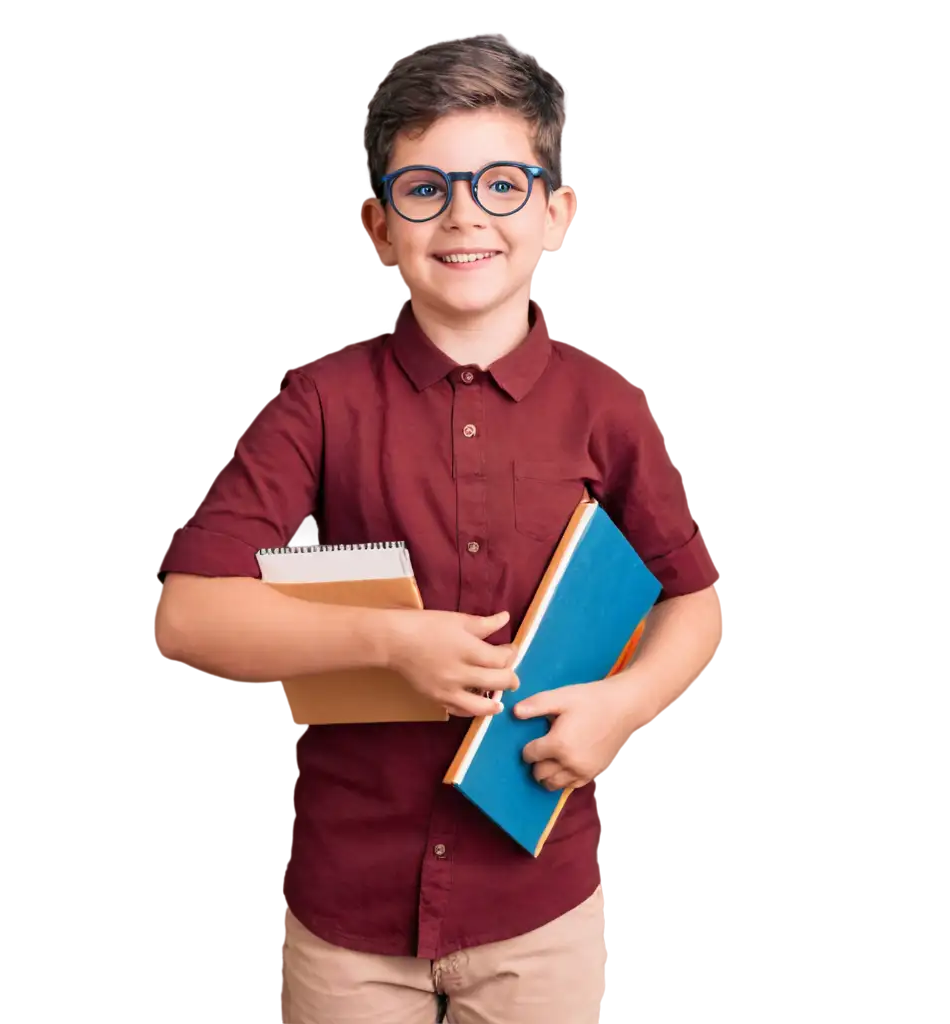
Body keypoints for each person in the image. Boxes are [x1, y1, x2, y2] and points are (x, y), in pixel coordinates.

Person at [150, 32, 721, 1024]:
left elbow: (694, 604)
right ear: (378, 224)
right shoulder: (315, 404)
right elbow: (189, 617)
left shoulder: (608, 408)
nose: (464, 214)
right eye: (425, 189)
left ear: (556, 213)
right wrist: (383, 640)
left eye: (501, 184)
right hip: (348, 916)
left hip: (538, 902)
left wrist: (624, 707)